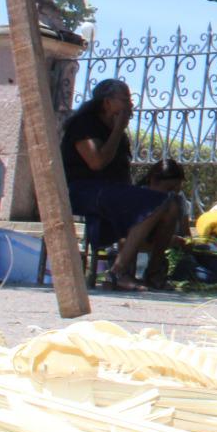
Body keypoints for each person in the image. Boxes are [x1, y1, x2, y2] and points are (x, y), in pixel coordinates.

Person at [60, 78, 181, 291]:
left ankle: (154, 273)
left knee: (171, 205)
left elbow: (121, 174)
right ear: (107, 103)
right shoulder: (85, 125)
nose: (130, 105)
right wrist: (118, 129)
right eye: (125, 99)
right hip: (84, 191)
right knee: (156, 204)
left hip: (113, 192)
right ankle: (117, 273)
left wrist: (135, 196)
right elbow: (97, 162)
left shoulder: (120, 136)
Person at [137, 158, 217, 289]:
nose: (172, 194)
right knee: (195, 272)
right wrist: (167, 241)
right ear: (153, 181)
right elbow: (133, 243)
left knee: (203, 249)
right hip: (149, 262)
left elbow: (186, 235)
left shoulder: (178, 201)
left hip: (176, 255)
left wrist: (186, 242)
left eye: (176, 190)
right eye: (169, 189)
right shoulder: (140, 200)